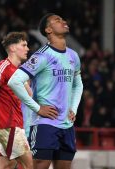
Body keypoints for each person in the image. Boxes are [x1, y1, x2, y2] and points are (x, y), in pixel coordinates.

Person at [8, 13, 83, 169]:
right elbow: (14, 81)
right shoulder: (42, 56)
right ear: (48, 30)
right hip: (45, 123)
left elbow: (78, 84)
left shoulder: (73, 56)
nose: (63, 21)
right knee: (40, 165)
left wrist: (73, 108)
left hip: (67, 125)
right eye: (58, 20)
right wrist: (37, 108)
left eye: (63, 19)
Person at [0, 32, 33, 169]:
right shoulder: (4, 66)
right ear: (12, 48)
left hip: (14, 125)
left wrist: (25, 78)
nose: (27, 49)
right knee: (31, 165)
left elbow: (29, 95)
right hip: (10, 126)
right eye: (23, 45)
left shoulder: (18, 71)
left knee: (7, 166)